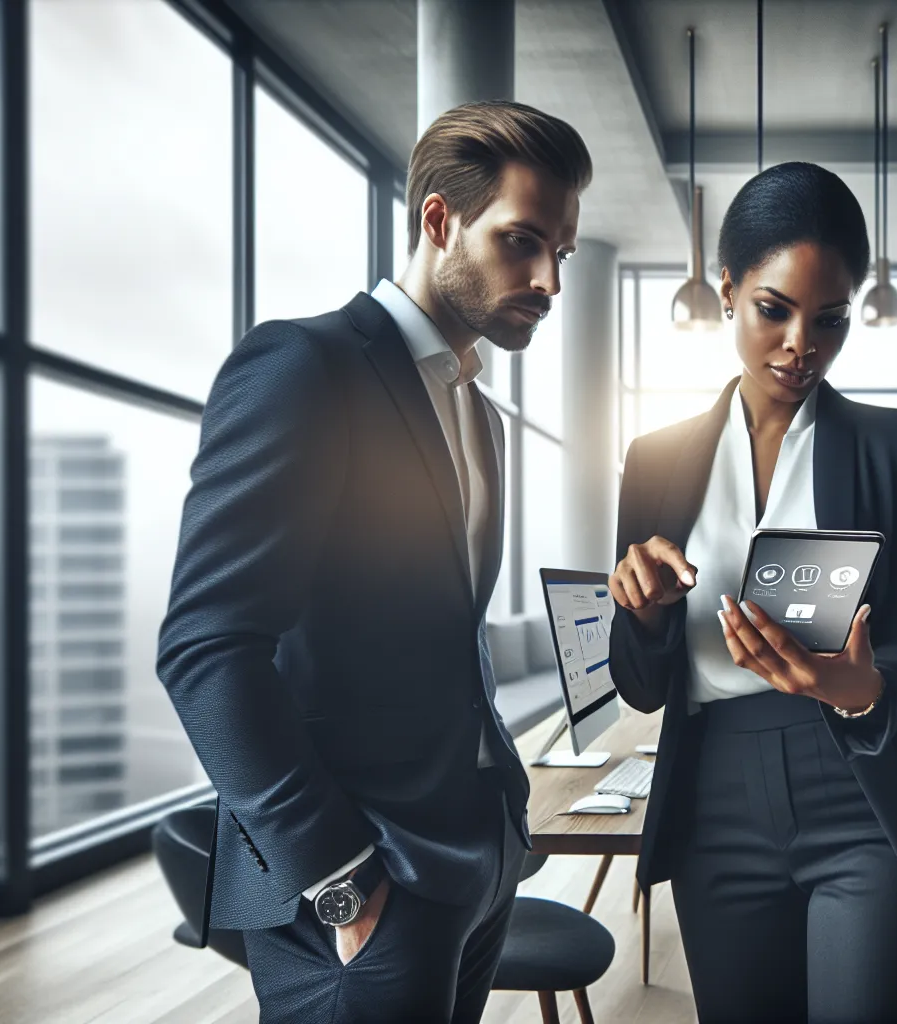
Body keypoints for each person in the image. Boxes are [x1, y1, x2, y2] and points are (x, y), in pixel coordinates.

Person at [156, 100, 590, 1023]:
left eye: (565, 253)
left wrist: (496, 836)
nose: (551, 278)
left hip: (470, 858)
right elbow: (205, 649)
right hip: (358, 885)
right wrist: (342, 882)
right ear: (439, 221)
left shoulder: (480, 412)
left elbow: (439, 629)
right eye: (523, 241)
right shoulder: (302, 367)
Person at [606, 161, 897, 1023]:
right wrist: (645, 614)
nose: (803, 343)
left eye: (831, 320)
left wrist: (861, 688)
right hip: (713, 797)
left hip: (860, 788)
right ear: (728, 290)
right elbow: (642, 684)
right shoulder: (655, 461)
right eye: (775, 309)